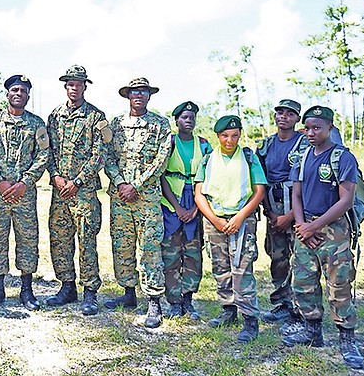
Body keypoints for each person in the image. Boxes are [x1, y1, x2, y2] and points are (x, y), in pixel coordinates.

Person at [283, 105, 364, 369]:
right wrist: (301, 226)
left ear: (330, 127)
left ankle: (347, 338)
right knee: (303, 283)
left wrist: (314, 226)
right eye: (306, 128)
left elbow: (346, 199)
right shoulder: (302, 157)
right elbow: (295, 194)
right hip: (305, 228)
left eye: (316, 127)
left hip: (333, 230)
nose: (310, 133)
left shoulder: (342, 157)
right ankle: (312, 331)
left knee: (339, 286)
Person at [0, 74, 50, 311]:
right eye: (15, 90)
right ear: (7, 93)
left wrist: (25, 182)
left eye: (24, 91)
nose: (19, 94)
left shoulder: (37, 123)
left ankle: (26, 290)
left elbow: (43, 155)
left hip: (24, 193)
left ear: (28, 95)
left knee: (27, 239)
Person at [103, 77, 172, 329]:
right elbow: (107, 156)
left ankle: (154, 299)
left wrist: (136, 185)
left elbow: (161, 160)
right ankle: (128, 292)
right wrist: (121, 182)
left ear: (149, 96)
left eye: (143, 91)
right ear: (128, 95)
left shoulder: (160, 125)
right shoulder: (116, 124)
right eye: (134, 91)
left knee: (150, 248)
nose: (139, 95)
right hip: (120, 197)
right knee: (122, 245)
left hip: (147, 198)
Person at [194, 115, 266, 343]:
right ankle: (228, 309)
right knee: (221, 266)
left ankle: (249, 319)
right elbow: (199, 193)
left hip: (242, 220)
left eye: (234, 135)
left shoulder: (248, 157)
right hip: (215, 220)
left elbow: (259, 191)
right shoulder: (208, 159)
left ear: (240, 135)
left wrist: (239, 217)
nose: (230, 140)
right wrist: (215, 220)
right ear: (218, 136)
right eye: (225, 135)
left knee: (242, 267)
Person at [45, 65, 110, 316]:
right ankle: (67, 286)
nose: (74, 87)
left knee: (86, 241)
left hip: (83, 192)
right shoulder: (54, 116)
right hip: (60, 190)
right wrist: (56, 176)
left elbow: (99, 153)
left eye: (79, 83)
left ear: (85, 86)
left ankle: (90, 292)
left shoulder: (96, 117)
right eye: (70, 83)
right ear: (65, 87)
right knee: (60, 239)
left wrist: (78, 181)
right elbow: (47, 151)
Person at [256, 99, 307, 325]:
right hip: (273, 206)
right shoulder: (266, 145)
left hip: (299, 207)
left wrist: (291, 216)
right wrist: (270, 212)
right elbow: (260, 180)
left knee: (302, 257)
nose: (283, 117)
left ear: (297, 119)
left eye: (290, 113)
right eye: (280, 112)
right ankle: (282, 303)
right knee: (277, 256)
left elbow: (309, 183)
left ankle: (302, 307)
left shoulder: (305, 143)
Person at [160, 101, 212, 320]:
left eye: (191, 117)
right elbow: (161, 175)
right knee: (171, 253)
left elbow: (209, 176)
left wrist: (194, 209)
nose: (188, 121)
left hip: (196, 202)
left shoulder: (204, 145)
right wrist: (178, 207)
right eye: (184, 117)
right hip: (172, 202)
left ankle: (188, 299)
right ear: (176, 121)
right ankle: (174, 301)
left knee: (192, 253)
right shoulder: (168, 143)